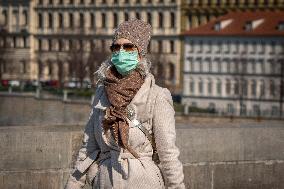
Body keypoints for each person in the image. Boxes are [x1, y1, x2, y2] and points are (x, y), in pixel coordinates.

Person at [65, 19, 185, 189]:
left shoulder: (157, 95)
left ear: (140, 53)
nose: (121, 52)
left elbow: (168, 154)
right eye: (116, 47)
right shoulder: (101, 92)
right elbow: (88, 147)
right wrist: (74, 184)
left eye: (128, 47)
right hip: (106, 182)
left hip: (144, 183)